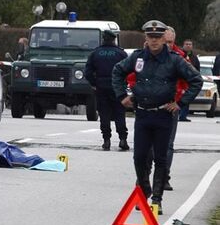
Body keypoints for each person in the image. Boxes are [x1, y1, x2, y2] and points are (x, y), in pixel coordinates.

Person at [112, 20, 202, 215]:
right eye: (150, 37)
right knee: (139, 157)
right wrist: (122, 96)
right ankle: (144, 188)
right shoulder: (137, 58)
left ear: (163, 39)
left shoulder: (174, 59)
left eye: (158, 37)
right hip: (143, 113)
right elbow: (118, 71)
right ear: (146, 38)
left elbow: (196, 80)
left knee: (161, 158)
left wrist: (180, 103)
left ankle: (157, 199)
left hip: (164, 114)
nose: (154, 41)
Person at [85, 30, 128, 151]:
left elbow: (87, 72)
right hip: (118, 88)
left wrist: (94, 83)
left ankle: (106, 140)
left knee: (104, 114)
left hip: (101, 87)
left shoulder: (95, 53)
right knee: (120, 114)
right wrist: (124, 84)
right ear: (114, 39)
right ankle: (122, 139)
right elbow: (128, 70)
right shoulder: (121, 53)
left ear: (103, 39)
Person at [179, 38, 200, 121]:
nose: (188, 46)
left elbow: (197, 69)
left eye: (190, 44)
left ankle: (183, 116)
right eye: (186, 44)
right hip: (180, 81)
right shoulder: (179, 55)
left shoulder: (194, 58)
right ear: (183, 45)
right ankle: (177, 114)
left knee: (187, 98)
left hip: (189, 82)